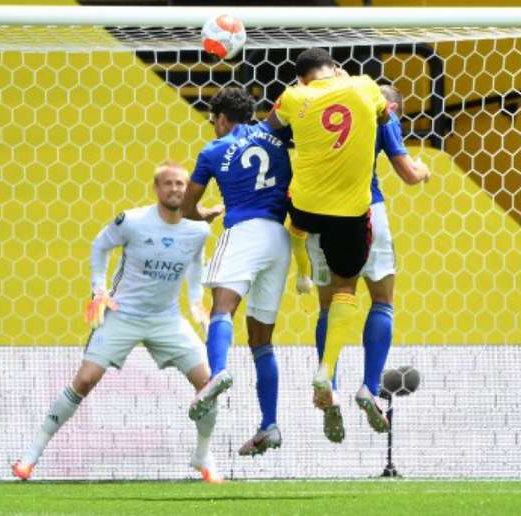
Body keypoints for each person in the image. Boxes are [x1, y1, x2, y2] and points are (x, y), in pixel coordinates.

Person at [11, 163, 224, 483]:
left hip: (166, 319)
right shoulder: (134, 221)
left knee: (209, 385)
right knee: (84, 380)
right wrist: (99, 289)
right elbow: (100, 244)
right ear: (156, 189)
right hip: (123, 314)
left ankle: (203, 456)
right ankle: (31, 455)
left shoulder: (197, 230)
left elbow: (196, 264)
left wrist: (195, 301)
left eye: (180, 184)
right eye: (168, 184)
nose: (175, 189)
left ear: (189, 188)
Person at [267, 47, 389, 442]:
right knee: (345, 291)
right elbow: (385, 115)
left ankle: (302, 273)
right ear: (336, 69)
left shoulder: (293, 95)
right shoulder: (364, 86)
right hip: (351, 211)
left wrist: (297, 97)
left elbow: (272, 126)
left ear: (301, 77)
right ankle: (329, 370)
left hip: (306, 207)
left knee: (298, 233)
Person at [298, 84, 430, 441]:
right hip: (365, 209)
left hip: (318, 211)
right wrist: (422, 170)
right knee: (382, 299)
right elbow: (407, 173)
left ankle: (330, 385)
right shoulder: (381, 112)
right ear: (394, 107)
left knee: (330, 304)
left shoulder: (321, 109)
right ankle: (370, 387)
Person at [182, 87, 293, 457]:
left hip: (244, 230)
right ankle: (270, 423)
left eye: (214, 121)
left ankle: (217, 373)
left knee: (223, 309)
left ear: (224, 119)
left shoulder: (213, 151)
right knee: (261, 339)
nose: (213, 127)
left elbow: (186, 207)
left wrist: (207, 214)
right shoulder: (274, 135)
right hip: (279, 239)